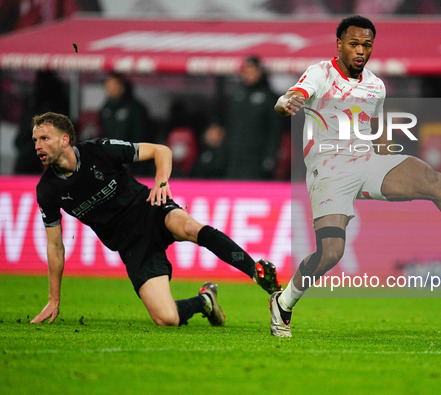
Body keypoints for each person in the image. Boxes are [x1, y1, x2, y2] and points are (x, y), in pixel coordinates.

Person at [270, 15, 441, 337]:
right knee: (331, 253)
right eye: (353, 44)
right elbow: (291, 96)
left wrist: (390, 157)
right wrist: (287, 103)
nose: (360, 51)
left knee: (433, 180)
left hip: (366, 161)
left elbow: (374, 130)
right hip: (329, 169)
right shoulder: (320, 73)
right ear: (339, 44)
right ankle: (283, 302)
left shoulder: (375, 85)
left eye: (366, 45)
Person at [29, 112, 281, 327]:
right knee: (166, 318)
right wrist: (54, 299)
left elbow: (161, 151)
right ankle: (205, 301)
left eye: (44, 138)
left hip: (149, 208)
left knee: (190, 227)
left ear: (64, 140)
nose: (38, 146)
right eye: (35, 140)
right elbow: (55, 246)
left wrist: (161, 182)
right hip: (132, 244)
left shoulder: (99, 150)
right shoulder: (47, 190)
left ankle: (256, 272)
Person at [223, 56, 282, 180]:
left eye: (253, 71)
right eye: (246, 71)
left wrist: (270, 156)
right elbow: (229, 125)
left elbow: (275, 130)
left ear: (260, 72)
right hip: (235, 155)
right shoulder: (237, 95)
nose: (249, 75)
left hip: (256, 157)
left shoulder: (269, 97)